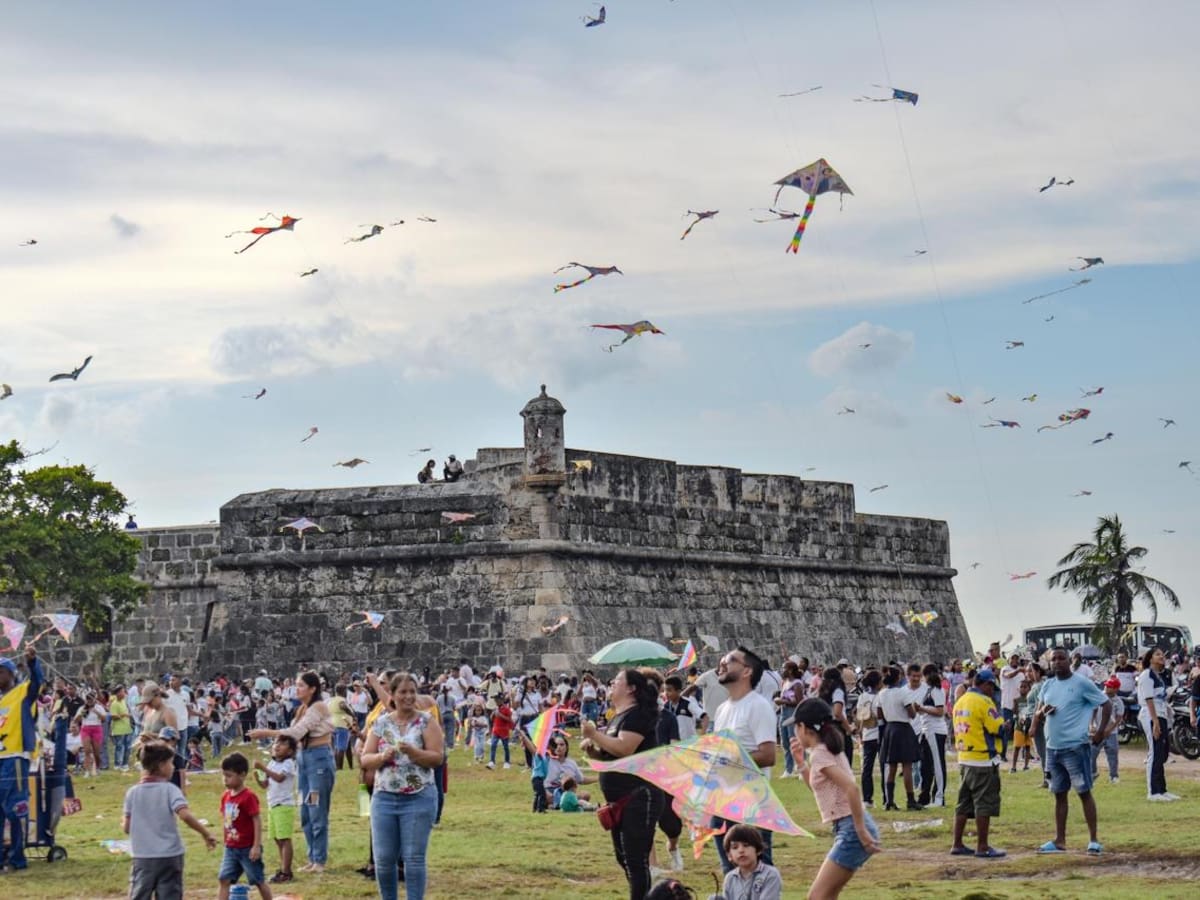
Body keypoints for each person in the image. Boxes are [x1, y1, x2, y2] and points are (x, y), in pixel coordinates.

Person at [360, 671, 444, 900]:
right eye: (403, 692)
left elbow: (437, 757)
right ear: (393, 695)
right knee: (384, 859)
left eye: (412, 692)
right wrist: (380, 758)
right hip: (385, 797)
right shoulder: (381, 723)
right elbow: (365, 758)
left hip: (418, 796)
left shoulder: (427, 721)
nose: (408, 697)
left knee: (413, 858)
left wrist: (414, 752)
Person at [581, 668, 662, 900]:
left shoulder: (637, 714)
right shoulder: (619, 715)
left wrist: (594, 734)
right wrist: (594, 751)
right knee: (623, 857)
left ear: (631, 688)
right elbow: (614, 753)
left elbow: (626, 748)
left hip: (639, 796)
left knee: (636, 860)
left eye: (617, 681)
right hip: (619, 799)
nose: (611, 684)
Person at [788, 699, 878, 899]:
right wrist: (801, 764)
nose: (794, 732)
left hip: (851, 829)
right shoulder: (827, 750)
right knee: (827, 895)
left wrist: (860, 830)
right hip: (848, 827)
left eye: (796, 727)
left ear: (803, 728)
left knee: (816, 897)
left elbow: (852, 789)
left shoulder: (820, 754)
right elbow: (819, 788)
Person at [248, 670, 335, 873]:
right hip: (304, 759)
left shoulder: (318, 707)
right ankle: (313, 857)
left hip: (318, 760)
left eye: (301, 685)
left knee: (316, 808)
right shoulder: (301, 709)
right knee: (305, 809)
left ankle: (319, 859)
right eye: (296, 684)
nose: (297, 688)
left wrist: (266, 733)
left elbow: (296, 733)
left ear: (313, 688)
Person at [1031, 646, 1111, 854]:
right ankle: (1059, 840)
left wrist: (1101, 731)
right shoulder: (1047, 684)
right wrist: (1041, 713)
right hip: (1053, 747)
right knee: (1059, 794)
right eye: (1053, 659)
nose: (1057, 662)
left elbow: (1105, 703)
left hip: (1075, 746)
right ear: (1049, 663)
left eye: (1061, 658)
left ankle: (1093, 840)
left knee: (1084, 792)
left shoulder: (1081, 683)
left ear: (1069, 661)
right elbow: (1038, 710)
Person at [710, 647, 777, 871]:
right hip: (722, 800)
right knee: (731, 874)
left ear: (747, 671)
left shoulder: (758, 706)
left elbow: (768, 755)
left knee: (759, 873)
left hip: (751, 804)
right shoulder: (722, 709)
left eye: (729, 661)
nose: (722, 664)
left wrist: (728, 761)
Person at [123, 741, 217, 900]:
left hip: (142, 856)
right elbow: (185, 815)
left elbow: (126, 827)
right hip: (170, 855)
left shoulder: (132, 793)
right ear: (161, 765)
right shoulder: (171, 790)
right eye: (171, 763)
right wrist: (205, 833)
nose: (173, 767)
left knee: (139, 894)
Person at [949, 669, 1005, 858]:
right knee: (984, 803)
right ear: (986, 684)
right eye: (992, 687)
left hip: (964, 758)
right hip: (982, 759)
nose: (992, 691)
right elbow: (996, 727)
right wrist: (1007, 724)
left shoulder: (960, 701)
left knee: (963, 803)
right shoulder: (984, 702)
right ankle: (983, 846)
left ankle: (957, 843)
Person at [0, 646, 43, 872]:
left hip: (15, 758)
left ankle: (17, 857)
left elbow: (38, 683)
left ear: (10, 674)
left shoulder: (23, 693)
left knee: (15, 808)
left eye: (0, 672)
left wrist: (32, 662)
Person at [217, 752, 272, 900]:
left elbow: (256, 820)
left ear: (242, 775)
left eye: (229, 776)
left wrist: (256, 846)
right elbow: (227, 821)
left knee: (258, 880)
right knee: (224, 879)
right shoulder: (225, 796)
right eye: (223, 775)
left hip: (248, 848)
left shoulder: (248, 797)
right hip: (231, 848)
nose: (225, 779)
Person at [253, 734, 298, 885]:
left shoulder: (289, 763)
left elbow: (279, 778)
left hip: (284, 805)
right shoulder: (272, 764)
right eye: (276, 743)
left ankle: (286, 872)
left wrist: (263, 767)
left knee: (285, 839)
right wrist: (258, 778)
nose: (277, 746)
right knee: (278, 839)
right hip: (273, 805)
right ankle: (283, 867)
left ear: (290, 751)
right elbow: (266, 784)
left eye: (282, 744)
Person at [1135, 647, 1177, 802]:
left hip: (1161, 714)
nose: (1161, 656)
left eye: (1162, 654)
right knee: (1155, 752)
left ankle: (1162, 790)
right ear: (1150, 658)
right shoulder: (1146, 675)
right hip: (1151, 715)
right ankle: (1152, 792)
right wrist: (1155, 722)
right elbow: (1148, 699)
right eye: (1157, 654)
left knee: (1163, 753)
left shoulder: (1159, 676)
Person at [877, 666, 922, 811]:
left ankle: (889, 800)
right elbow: (912, 714)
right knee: (907, 766)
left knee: (892, 766)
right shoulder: (903, 693)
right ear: (898, 678)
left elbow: (879, 714)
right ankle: (910, 800)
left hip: (890, 728)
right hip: (903, 728)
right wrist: (914, 708)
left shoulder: (882, 693)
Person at [717, 824, 784, 900]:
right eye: (735, 847)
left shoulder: (770, 874)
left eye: (746, 845)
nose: (741, 850)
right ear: (729, 855)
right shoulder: (730, 878)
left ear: (758, 850)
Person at [916, 663, 948, 807]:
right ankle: (925, 796)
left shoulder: (937, 691)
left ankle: (939, 797)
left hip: (935, 730)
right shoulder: (928, 691)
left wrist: (923, 708)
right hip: (926, 730)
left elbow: (940, 711)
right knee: (926, 765)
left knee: (938, 764)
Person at [855, 670, 883, 807]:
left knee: (867, 768)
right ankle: (886, 797)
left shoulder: (862, 697)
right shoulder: (880, 696)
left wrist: (860, 734)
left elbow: (860, 718)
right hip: (880, 734)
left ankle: (867, 798)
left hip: (867, 734)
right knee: (885, 767)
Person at [1091, 678, 1124, 783]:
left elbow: (1119, 717)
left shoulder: (1118, 702)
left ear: (1115, 689)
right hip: (1097, 730)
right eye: (1106, 685)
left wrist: (1109, 730)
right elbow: (1093, 710)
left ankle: (1113, 776)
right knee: (1091, 753)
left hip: (1111, 733)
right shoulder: (1099, 696)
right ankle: (1093, 772)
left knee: (1112, 754)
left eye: (1109, 686)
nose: (1106, 687)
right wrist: (1091, 725)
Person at [74, 691, 109, 778]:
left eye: (91, 699)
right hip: (85, 729)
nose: (89, 701)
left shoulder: (99, 707)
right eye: (87, 699)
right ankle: (87, 771)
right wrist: (83, 712)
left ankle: (97, 768)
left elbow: (104, 719)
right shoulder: (82, 708)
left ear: (94, 699)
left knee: (96, 752)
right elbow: (76, 719)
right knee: (87, 751)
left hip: (96, 728)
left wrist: (96, 711)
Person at [329, 685, 355, 771]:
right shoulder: (341, 699)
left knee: (343, 747)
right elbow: (343, 706)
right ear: (343, 691)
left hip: (334, 725)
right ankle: (339, 768)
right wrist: (352, 714)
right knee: (340, 748)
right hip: (342, 725)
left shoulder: (331, 700)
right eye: (346, 691)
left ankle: (350, 766)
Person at [110, 685, 134, 772]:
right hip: (118, 730)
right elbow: (113, 717)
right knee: (119, 747)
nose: (124, 693)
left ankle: (125, 764)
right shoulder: (114, 703)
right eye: (123, 692)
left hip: (127, 728)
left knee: (128, 747)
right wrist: (123, 715)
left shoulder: (124, 701)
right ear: (118, 693)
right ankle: (117, 764)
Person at [487, 694, 514, 769]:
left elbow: (509, 719)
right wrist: (493, 714)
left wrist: (500, 715)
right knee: (493, 745)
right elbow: (492, 719)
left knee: (505, 747)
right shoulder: (496, 708)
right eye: (495, 700)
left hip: (504, 730)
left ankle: (507, 762)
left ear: (501, 700)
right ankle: (492, 761)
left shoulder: (506, 709)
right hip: (496, 730)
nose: (496, 701)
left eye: (497, 700)